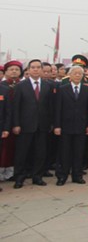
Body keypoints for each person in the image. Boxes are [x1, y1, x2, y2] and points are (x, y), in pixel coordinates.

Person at [12, 59, 55, 189]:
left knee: (40, 153)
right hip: (25, 125)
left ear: (41, 70)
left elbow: (51, 107)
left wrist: (52, 123)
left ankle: (37, 177)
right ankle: (19, 177)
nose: (36, 69)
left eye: (38, 67)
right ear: (28, 70)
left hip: (42, 125)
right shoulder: (20, 86)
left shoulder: (48, 86)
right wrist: (16, 124)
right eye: (33, 67)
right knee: (22, 153)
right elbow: (16, 107)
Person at [54, 65, 88, 185]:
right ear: (69, 76)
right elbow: (57, 109)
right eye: (75, 73)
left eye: (80, 74)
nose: (77, 75)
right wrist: (57, 126)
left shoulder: (87, 89)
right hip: (65, 126)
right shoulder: (62, 88)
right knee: (65, 152)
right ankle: (63, 176)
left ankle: (77, 175)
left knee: (79, 152)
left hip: (81, 126)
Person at [0, 60, 22, 181]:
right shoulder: (3, 86)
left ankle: (15, 172)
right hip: (5, 123)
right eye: (11, 69)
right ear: (6, 72)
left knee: (17, 148)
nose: (14, 71)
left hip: (20, 122)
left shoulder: (23, 85)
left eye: (17, 69)